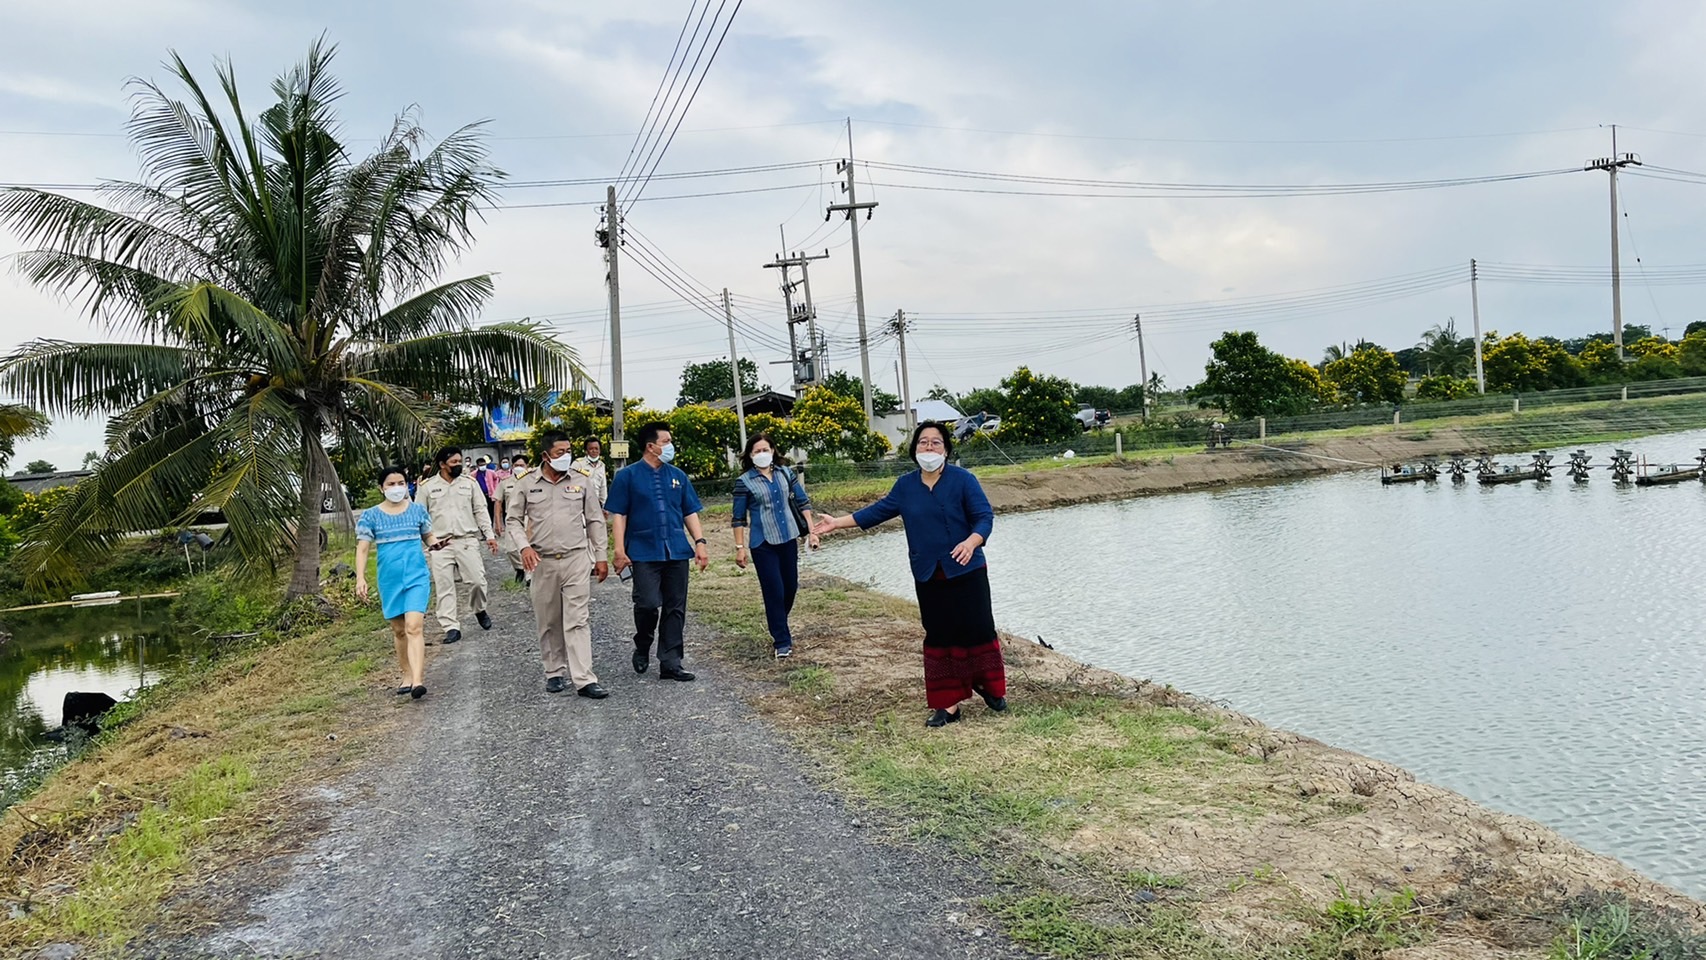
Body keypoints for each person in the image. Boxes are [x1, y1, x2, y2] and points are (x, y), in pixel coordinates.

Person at [813, 421, 1007, 728]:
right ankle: (949, 705)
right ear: (914, 449)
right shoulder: (905, 486)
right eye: (923, 443)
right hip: (929, 573)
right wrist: (836, 523)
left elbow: (983, 517)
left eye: (936, 443)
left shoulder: (963, 480)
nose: (929, 448)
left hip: (967, 569)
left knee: (978, 630)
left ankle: (989, 687)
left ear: (946, 449)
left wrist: (972, 542)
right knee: (940, 636)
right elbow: (877, 511)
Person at [508, 433, 610, 698]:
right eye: (559, 452)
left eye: (568, 450)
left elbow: (595, 519)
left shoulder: (581, 480)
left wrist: (601, 556)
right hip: (542, 561)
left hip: (576, 558)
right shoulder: (526, 483)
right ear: (545, 456)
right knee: (549, 619)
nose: (565, 456)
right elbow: (513, 521)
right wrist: (524, 546)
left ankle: (584, 679)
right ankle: (554, 672)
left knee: (577, 619)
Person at [605, 421, 709, 682]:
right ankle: (643, 643)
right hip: (642, 551)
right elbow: (619, 515)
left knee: (676, 606)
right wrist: (619, 550)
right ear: (651, 447)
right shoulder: (627, 476)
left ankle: (671, 662)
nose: (670, 446)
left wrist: (700, 542)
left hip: (675, 550)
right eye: (666, 442)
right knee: (648, 604)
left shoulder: (678, 476)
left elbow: (689, 511)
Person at [355, 466, 448, 700]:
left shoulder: (417, 511)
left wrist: (436, 543)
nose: (397, 488)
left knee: (414, 626)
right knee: (399, 631)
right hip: (389, 580)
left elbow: (428, 535)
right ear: (381, 488)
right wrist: (360, 577)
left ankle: (418, 680)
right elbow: (363, 548)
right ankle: (406, 674)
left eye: (401, 483)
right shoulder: (371, 516)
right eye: (391, 484)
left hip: (416, 576)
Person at [731, 433, 818, 659]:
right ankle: (781, 640)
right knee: (774, 590)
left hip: (788, 537)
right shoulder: (744, 482)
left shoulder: (785, 474)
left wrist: (812, 531)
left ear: (773, 451)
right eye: (757, 451)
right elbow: (738, 517)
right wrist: (740, 547)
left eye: (765, 450)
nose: (762, 454)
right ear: (750, 455)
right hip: (763, 542)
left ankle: (778, 620)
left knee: (790, 587)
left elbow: (802, 501)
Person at [414, 445, 498, 644]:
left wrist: (490, 535)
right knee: (445, 586)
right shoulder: (427, 487)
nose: (458, 465)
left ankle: (479, 609)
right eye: (454, 463)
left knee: (477, 581)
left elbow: (480, 510)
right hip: (440, 545)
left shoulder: (469, 483)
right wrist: (428, 542)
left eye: (459, 461)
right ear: (442, 465)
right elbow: (420, 517)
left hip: (466, 540)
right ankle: (450, 626)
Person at [492, 454, 532, 584]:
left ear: (527, 466)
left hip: (529, 518)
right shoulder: (505, 483)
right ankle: (519, 568)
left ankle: (529, 576)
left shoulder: (533, 481)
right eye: (516, 466)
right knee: (511, 549)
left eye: (522, 466)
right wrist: (498, 523)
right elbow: (498, 502)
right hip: (512, 519)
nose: (519, 468)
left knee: (528, 546)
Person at [570, 437, 609, 508]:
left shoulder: (601, 465)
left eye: (596, 449)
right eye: (591, 449)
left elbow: (603, 486)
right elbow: (571, 484)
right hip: (581, 502)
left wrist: (604, 504)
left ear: (600, 451)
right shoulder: (578, 464)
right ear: (586, 451)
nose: (594, 451)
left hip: (596, 503)